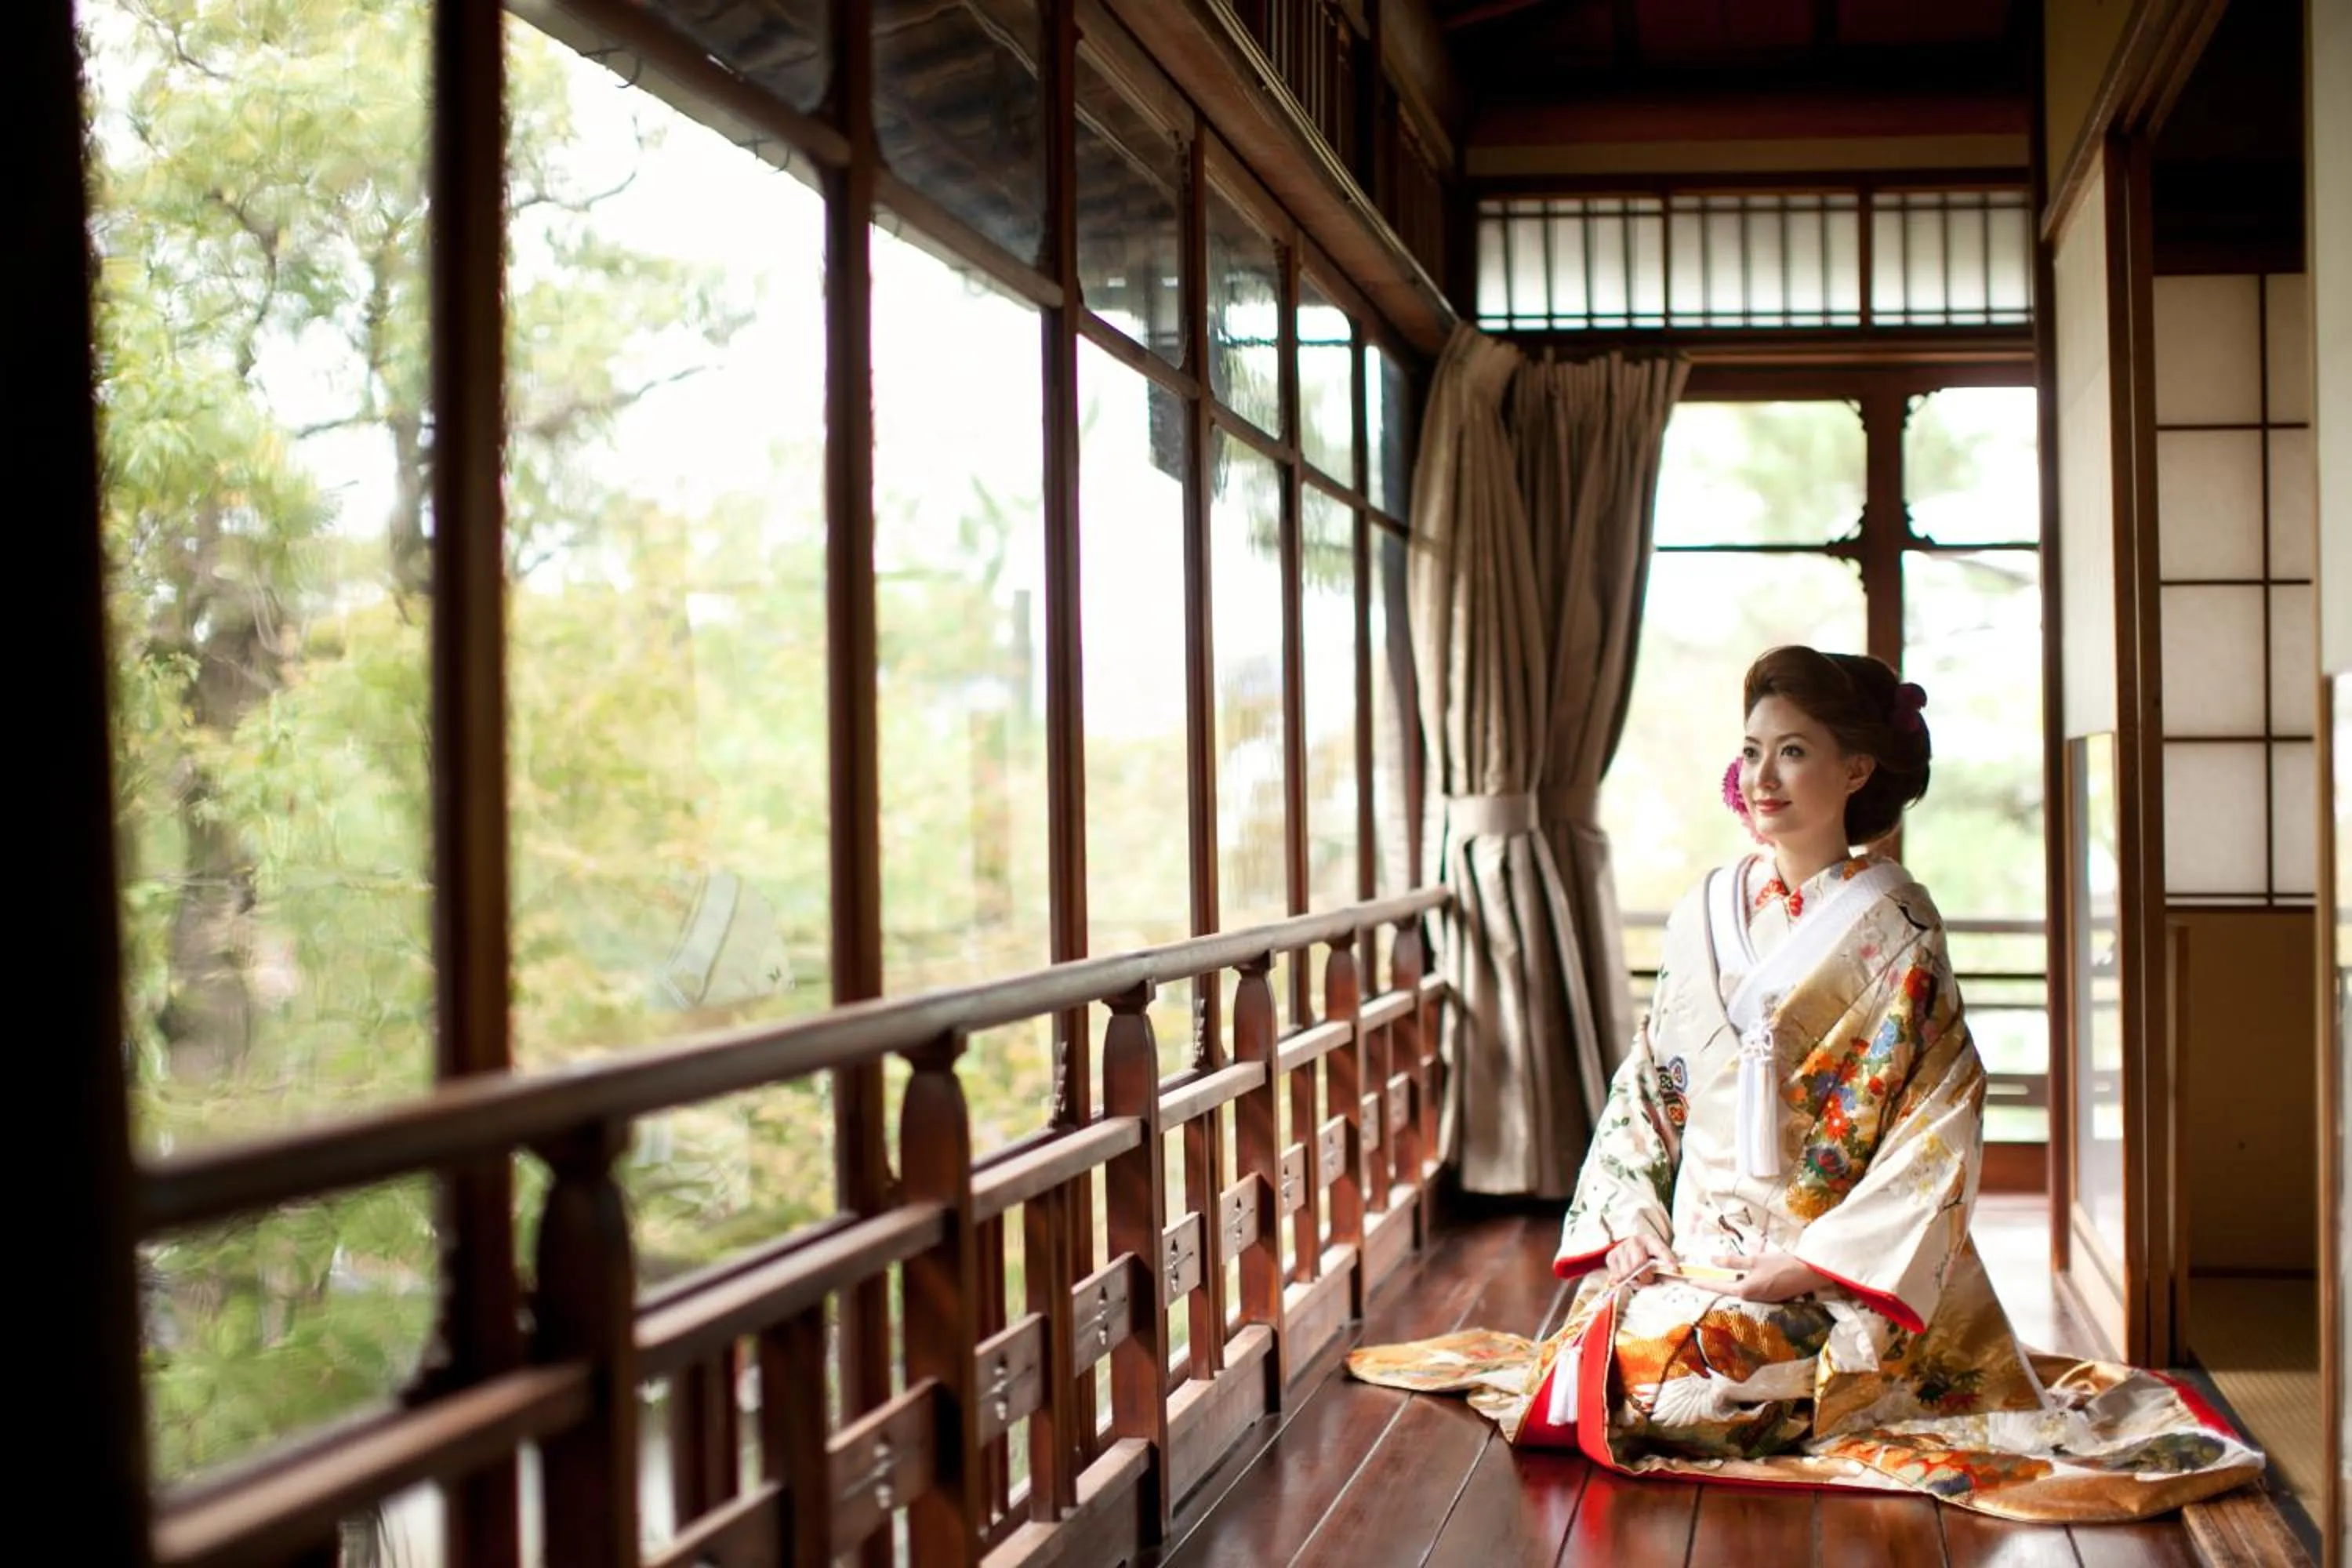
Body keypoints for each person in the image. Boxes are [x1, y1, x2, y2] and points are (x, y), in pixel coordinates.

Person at [1346, 646, 2263, 1520]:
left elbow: (1939, 1117)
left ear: (1857, 769)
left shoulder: (1899, 927)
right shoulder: (1704, 910)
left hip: (1821, 1272)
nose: (1763, 776)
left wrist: (1813, 1262)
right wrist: (1629, 1224)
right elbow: (1649, 1085)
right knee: (1628, 1360)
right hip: (1687, 1254)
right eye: (1752, 750)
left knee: (1695, 1375)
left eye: (1793, 751)